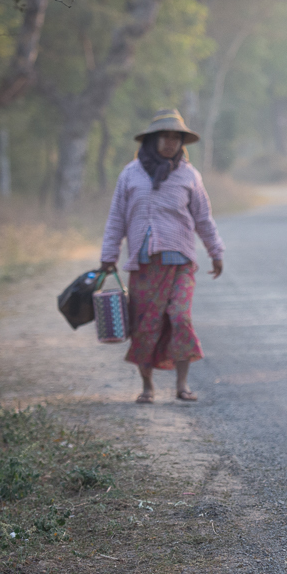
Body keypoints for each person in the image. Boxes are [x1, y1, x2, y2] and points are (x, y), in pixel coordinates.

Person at [100, 109, 224, 404]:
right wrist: (109, 255)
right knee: (145, 325)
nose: (170, 142)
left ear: (182, 141)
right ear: (152, 140)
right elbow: (116, 218)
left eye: (175, 137)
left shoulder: (190, 176)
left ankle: (182, 385)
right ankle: (147, 387)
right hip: (143, 266)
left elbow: (203, 219)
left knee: (180, 318)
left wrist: (215, 251)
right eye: (164, 136)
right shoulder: (130, 174)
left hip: (180, 264)